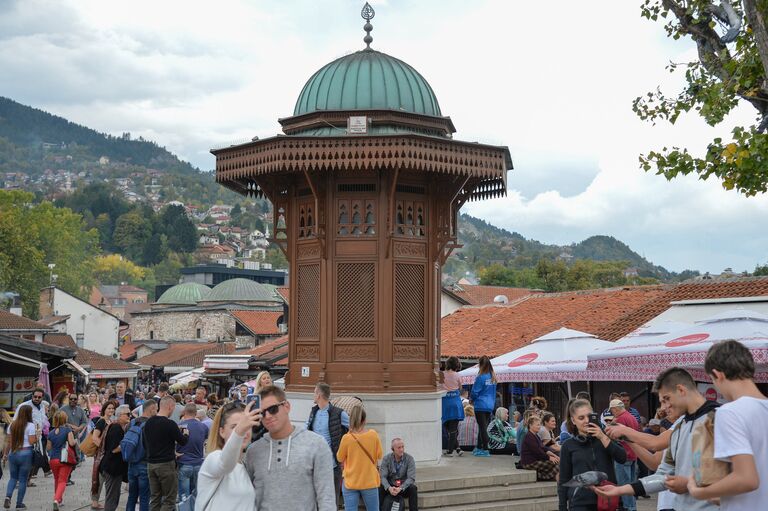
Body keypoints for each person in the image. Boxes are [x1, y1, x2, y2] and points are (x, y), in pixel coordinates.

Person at [593, 367, 720, 511]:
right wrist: (620, 490)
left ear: (681, 390)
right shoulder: (679, 428)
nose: (663, 407)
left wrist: (689, 484)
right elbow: (662, 475)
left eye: (666, 399)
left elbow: (739, 479)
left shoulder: (718, 419)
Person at [686, 340, 768, 510]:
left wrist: (699, 492)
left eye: (712, 381)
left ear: (718, 374)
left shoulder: (729, 412)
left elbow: (747, 479)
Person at [244, 385, 336, 511]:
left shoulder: (316, 444)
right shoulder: (253, 451)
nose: (268, 416)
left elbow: (326, 498)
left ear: (286, 406)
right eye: (262, 413)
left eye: (273, 409)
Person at [557, 398, 627, 511]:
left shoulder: (604, 438)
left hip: (608, 500)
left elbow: (622, 458)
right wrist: (562, 507)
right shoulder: (568, 445)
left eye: (588, 416)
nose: (586, 420)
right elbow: (563, 480)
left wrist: (602, 436)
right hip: (580, 503)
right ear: (573, 421)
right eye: (581, 418)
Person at [196, 401, 260, 510]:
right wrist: (239, 431)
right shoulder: (214, 458)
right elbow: (225, 464)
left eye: (246, 426)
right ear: (222, 432)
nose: (244, 430)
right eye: (234, 426)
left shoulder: (244, 465)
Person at [306, 382, 349, 505]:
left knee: (332, 500)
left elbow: (354, 430)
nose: (313, 395)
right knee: (314, 499)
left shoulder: (339, 413)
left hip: (333, 465)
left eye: (314, 392)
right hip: (314, 463)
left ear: (319, 395)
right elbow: (306, 431)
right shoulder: (313, 412)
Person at [144, 396, 189, 511]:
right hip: (166, 465)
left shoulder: (148, 422)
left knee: (155, 498)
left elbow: (146, 443)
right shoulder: (170, 424)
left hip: (151, 464)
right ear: (170, 406)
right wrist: (186, 433)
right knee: (169, 500)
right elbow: (182, 442)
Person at [336, 403, 383, 511]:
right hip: (369, 481)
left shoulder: (346, 438)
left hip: (351, 482)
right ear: (364, 420)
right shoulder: (373, 434)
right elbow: (379, 455)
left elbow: (339, 458)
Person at [608, 398, 640, 511]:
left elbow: (614, 436)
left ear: (615, 409)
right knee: (631, 484)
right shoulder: (631, 417)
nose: (612, 413)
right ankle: (632, 506)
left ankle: (629, 507)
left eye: (612, 410)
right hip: (633, 454)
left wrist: (611, 425)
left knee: (624, 485)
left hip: (623, 455)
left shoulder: (620, 419)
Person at [126, 399, 157, 511]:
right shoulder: (151, 425)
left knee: (131, 496)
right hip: (145, 464)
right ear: (151, 409)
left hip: (131, 465)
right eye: (156, 410)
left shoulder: (131, 423)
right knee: (144, 498)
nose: (157, 412)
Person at [4, 405, 36, 510]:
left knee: (13, 478)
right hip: (26, 453)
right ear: (28, 413)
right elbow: (32, 442)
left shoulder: (12, 425)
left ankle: (8, 497)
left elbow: (8, 442)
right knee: (22, 479)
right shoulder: (30, 425)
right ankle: (19, 504)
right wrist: (37, 435)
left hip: (13, 453)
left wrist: (5, 454)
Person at [100, 405, 131, 511]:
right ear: (120, 415)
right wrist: (128, 444)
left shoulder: (119, 427)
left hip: (114, 467)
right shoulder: (116, 428)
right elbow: (114, 449)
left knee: (114, 496)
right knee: (112, 498)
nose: (129, 416)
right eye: (127, 414)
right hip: (112, 468)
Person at [176, 403, 209, 503]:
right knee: (195, 496)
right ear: (196, 414)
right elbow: (205, 440)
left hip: (184, 462)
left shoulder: (180, 426)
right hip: (198, 463)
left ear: (185, 412)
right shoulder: (203, 427)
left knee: (184, 498)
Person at [47, 411, 77, 511]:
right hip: (64, 459)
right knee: (63, 481)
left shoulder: (51, 433)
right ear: (65, 419)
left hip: (53, 460)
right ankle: (56, 499)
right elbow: (72, 443)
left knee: (57, 480)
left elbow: (48, 448)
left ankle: (59, 500)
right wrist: (76, 440)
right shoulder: (67, 430)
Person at [91, 400, 117, 510]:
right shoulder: (102, 422)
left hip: (105, 455)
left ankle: (95, 502)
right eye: (109, 408)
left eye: (112, 408)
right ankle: (94, 502)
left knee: (101, 477)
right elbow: (95, 438)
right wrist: (103, 449)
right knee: (98, 477)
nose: (111, 410)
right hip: (101, 455)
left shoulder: (111, 421)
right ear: (104, 410)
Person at [379, 438, 418, 511]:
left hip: (403, 487)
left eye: (403, 447)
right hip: (391, 486)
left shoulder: (409, 459)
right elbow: (382, 477)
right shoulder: (386, 459)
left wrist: (401, 488)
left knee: (413, 488)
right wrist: (389, 488)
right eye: (399, 447)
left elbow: (411, 478)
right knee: (380, 488)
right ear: (393, 449)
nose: (402, 450)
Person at [470, 355, 496, 457]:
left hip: (480, 404)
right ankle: (479, 447)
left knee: (482, 427)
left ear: (480, 365)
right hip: (490, 404)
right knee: (482, 427)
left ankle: (485, 448)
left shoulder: (480, 377)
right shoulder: (493, 376)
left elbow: (475, 391)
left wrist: (472, 399)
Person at [520, 415, 559, 481]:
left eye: (540, 425)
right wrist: (549, 458)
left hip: (536, 460)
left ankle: (547, 476)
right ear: (530, 425)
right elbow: (538, 452)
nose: (539, 427)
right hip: (529, 462)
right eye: (537, 425)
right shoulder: (529, 436)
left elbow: (543, 448)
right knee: (555, 463)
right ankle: (543, 477)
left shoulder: (535, 435)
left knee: (557, 461)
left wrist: (554, 455)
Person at [441, 356, 464, 457]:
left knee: (446, 425)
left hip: (445, 402)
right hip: (455, 402)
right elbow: (460, 388)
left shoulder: (441, 374)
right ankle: (456, 449)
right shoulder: (457, 375)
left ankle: (452, 450)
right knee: (453, 428)